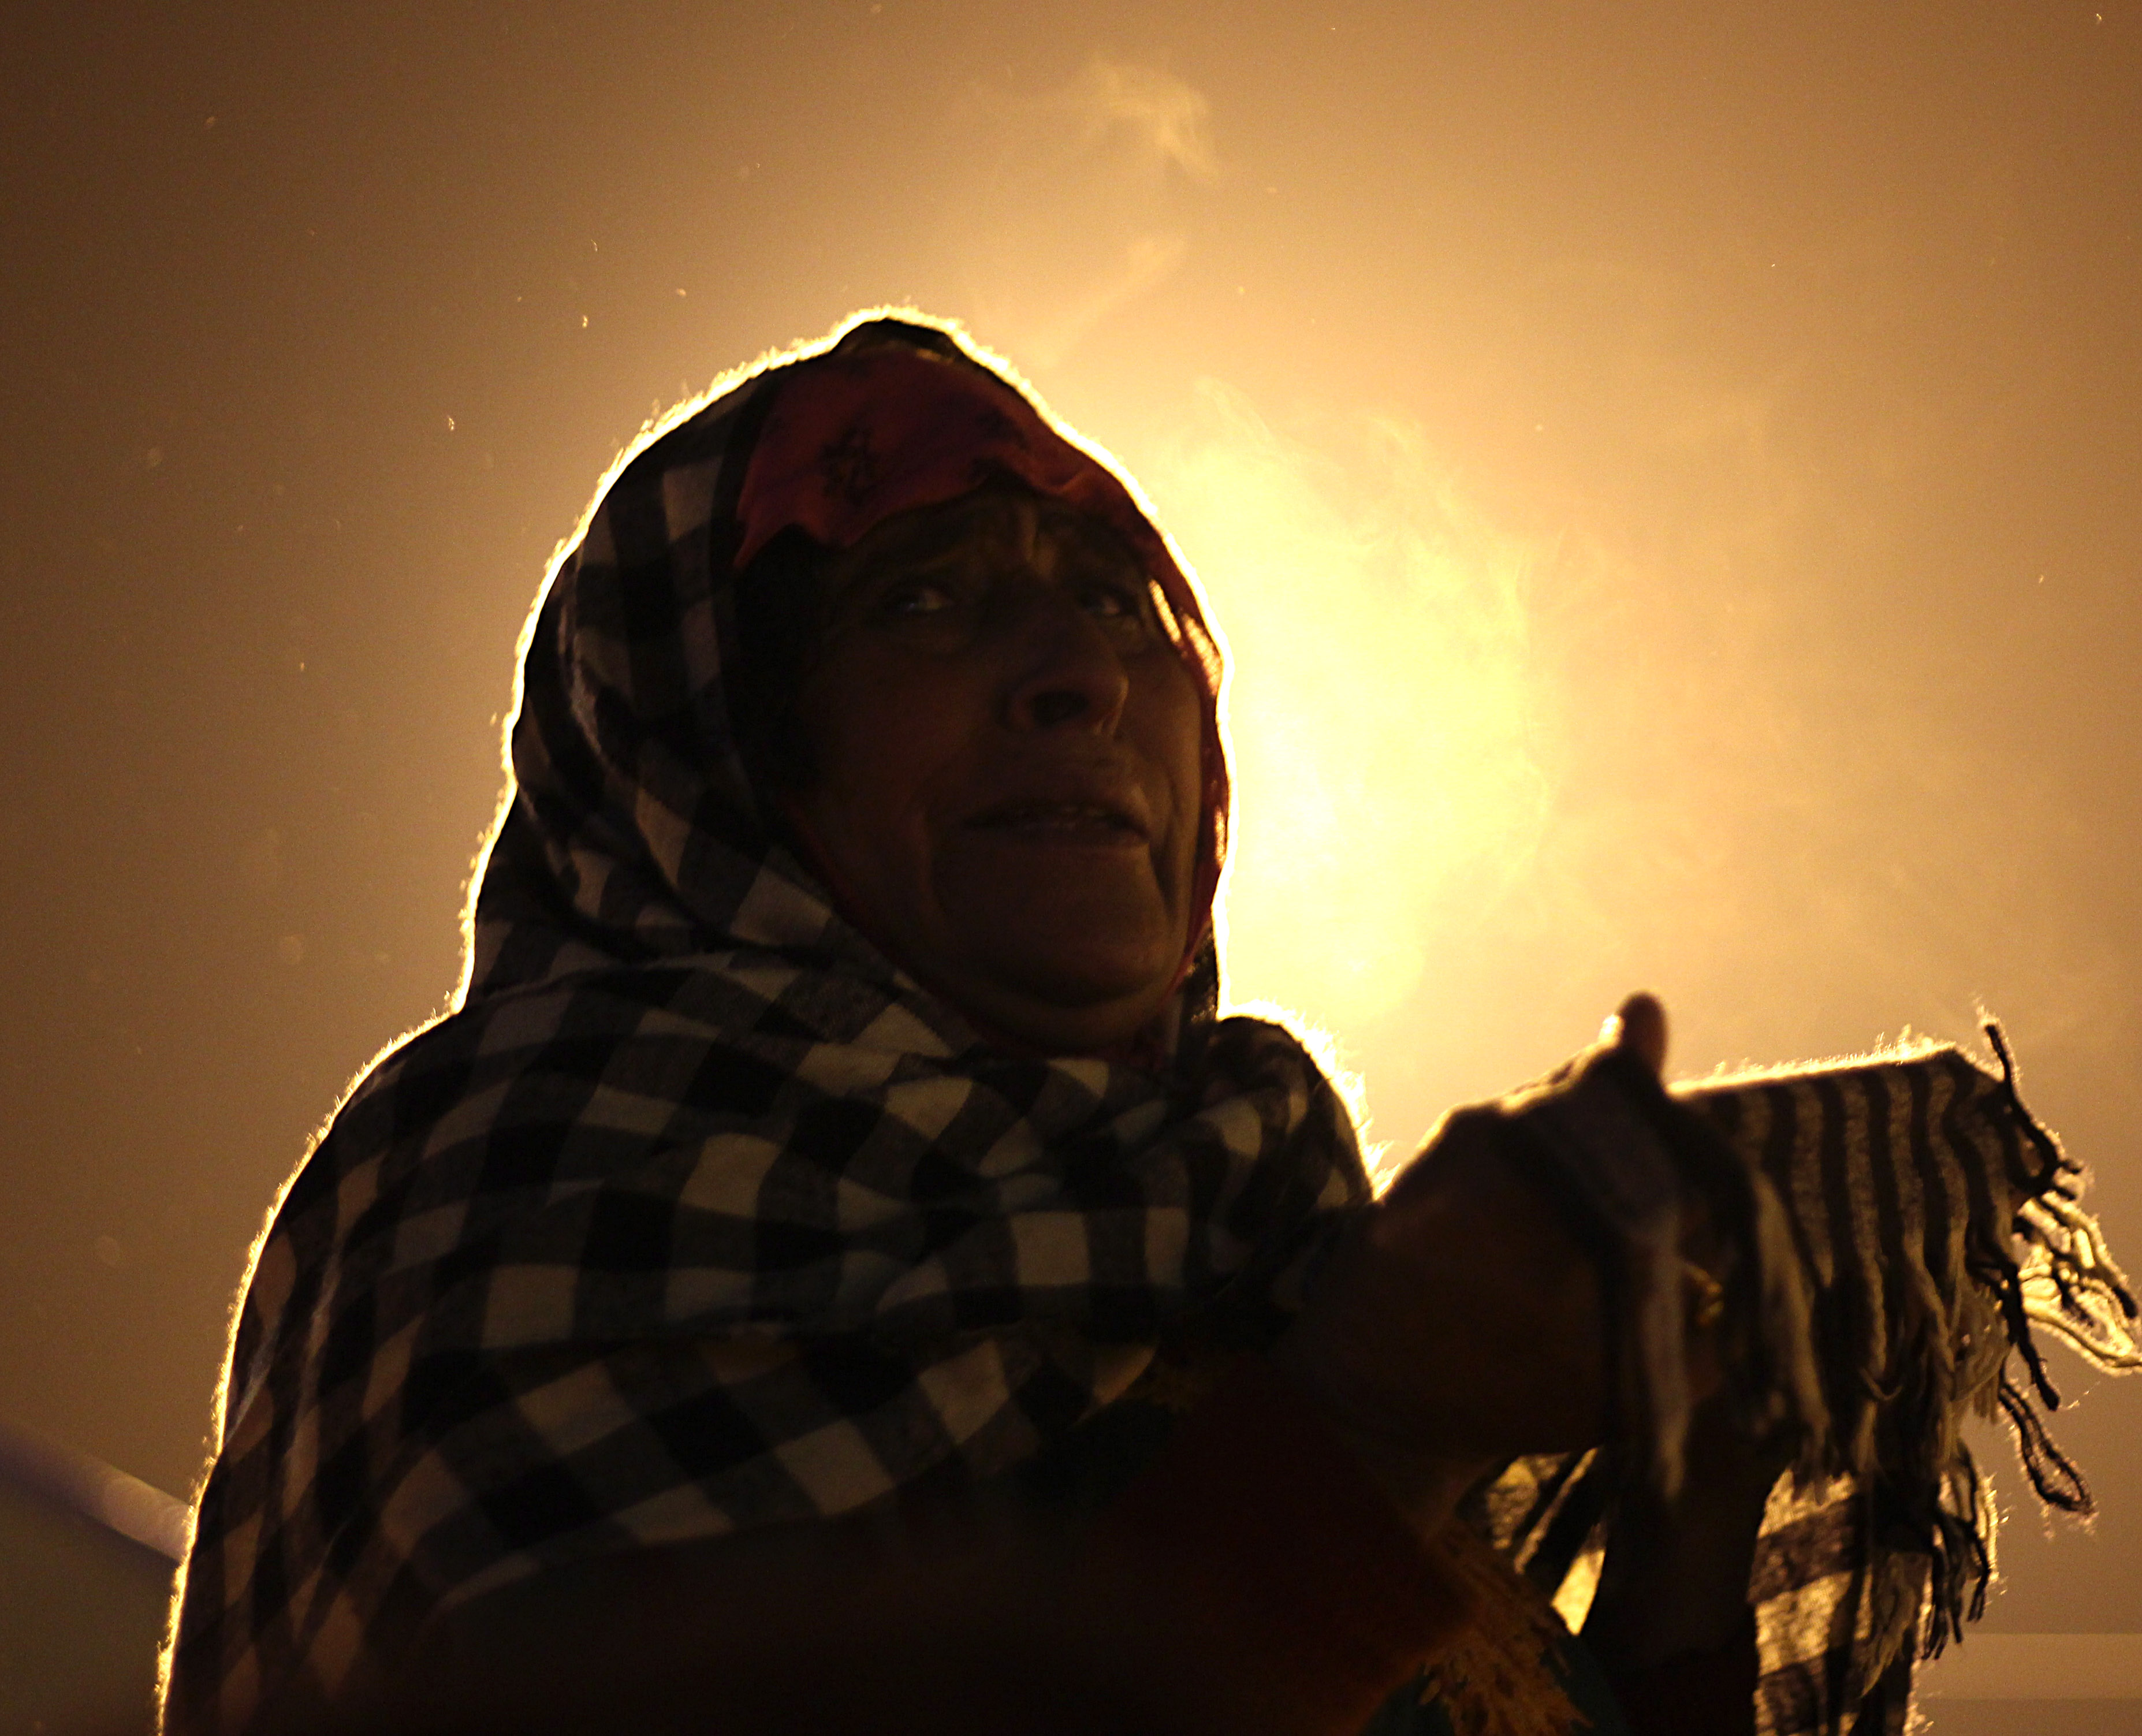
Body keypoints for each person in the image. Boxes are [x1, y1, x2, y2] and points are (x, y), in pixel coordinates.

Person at [161, 316, 1805, 1736]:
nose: (1076, 677)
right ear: (732, 755)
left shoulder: (1252, 1239)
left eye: (1113, 601)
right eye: (925, 602)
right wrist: (1369, 1432)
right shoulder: (511, 1195)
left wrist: (1683, 1532)